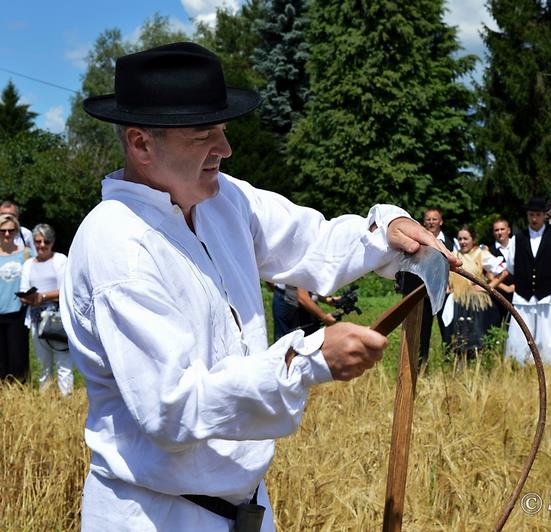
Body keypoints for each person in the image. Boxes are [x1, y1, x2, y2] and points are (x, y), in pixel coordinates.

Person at [62, 42, 458, 531]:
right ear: (141, 144)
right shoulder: (118, 245)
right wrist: (305, 361)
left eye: (223, 131)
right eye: (204, 135)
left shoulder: (225, 199)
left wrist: (385, 232)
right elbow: (173, 409)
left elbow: (310, 241)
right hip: (155, 515)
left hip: (248, 509)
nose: (224, 150)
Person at [505, 197, 551, 366]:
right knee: (520, 334)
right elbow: (511, 266)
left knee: (549, 334)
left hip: (548, 295)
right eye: (531, 215)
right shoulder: (517, 238)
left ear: (545, 216)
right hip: (523, 296)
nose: (534, 219)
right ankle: (519, 364)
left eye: (537, 215)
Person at [396, 206, 456, 365]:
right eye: (428, 219)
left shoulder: (450, 241)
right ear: (424, 222)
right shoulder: (418, 242)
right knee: (422, 332)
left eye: (434, 219)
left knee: (448, 329)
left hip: (445, 293)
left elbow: (456, 267)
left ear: (441, 221)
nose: (431, 222)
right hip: (423, 294)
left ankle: (449, 362)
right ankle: (422, 364)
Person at [19, 224, 71, 395]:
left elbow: (66, 289)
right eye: (38, 241)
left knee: (63, 364)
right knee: (43, 365)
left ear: (52, 242)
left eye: (46, 241)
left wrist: (44, 296)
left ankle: (67, 402)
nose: (42, 245)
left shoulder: (60, 259)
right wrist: (28, 297)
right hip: (36, 318)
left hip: (58, 318)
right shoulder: (28, 264)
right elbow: (24, 287)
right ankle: (46, 402)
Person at [448, 226, 507, 359]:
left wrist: (488, 287)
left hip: (476, 303)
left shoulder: (481, 254)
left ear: (473, 240)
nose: (462, 242)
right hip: (458, 302)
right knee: (458, 338)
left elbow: (503, 271)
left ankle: (478, 367)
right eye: (460, 239)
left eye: (466, 239)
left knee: (476, 337)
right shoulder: (454, 255)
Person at [0, 213, 30, 382]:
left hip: (18, 313)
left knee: (18, 358)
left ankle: (20, 395)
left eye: (11, 231)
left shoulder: (26, 254)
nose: (6, 234)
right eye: (2, 230)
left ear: (17, 232)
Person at [272, 284, 337, 339]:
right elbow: (302, 297)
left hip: (296, 298)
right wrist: (325, 318)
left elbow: (309, 288)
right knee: (288, 344)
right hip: (289, 303)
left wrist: (327, 299)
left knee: (310, 340)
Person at [489, 218, 515, 326]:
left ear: (508, 230)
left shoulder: (518, 247)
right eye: (496, 230)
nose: (499, 232)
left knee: (513, 327)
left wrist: (514, 287)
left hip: (516, 295)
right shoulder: (489, 251)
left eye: (502, 229)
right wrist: (507, 288)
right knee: (494, 326)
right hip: (497, 295)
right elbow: (489, 275)